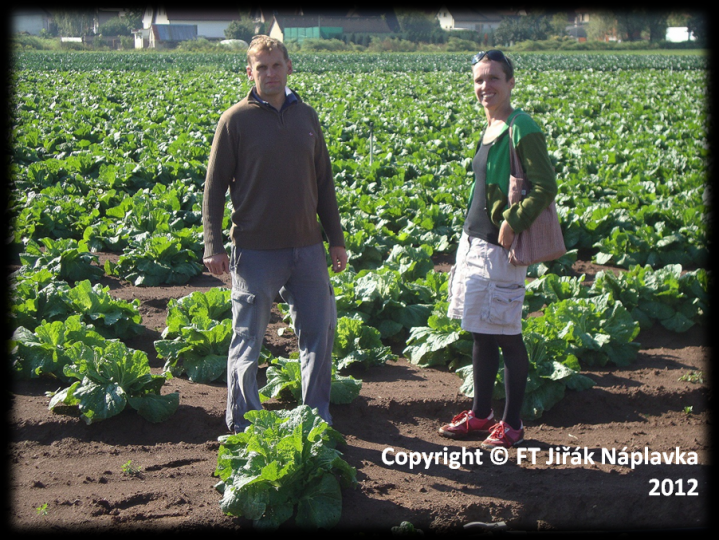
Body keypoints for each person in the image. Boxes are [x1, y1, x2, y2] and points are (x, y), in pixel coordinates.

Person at [202, 35, 347, 434]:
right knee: (248, 337)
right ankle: (244, 422)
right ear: (249, 72)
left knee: (319, 335)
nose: (270, 73)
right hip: (256, 250)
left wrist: (336, 239)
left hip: (307, 249)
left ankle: (316, 417)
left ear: (289, 68)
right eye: (261, 67)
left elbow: (324, 183)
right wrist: (213, 246)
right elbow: (213, 189)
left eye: (276, 65)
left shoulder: (307, 117)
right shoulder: (235, 120)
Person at [438, 50, 557, 449]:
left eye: (493, 79)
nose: (484, 87)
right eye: (478, 81)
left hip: (499, 250)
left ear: (510, 82)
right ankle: (481, 413)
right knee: (480, 332)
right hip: (473, 244)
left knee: (507, 334)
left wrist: (512, 222)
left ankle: (512, 425)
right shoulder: (491, 126)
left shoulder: (521, 127)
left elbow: (545, 186)